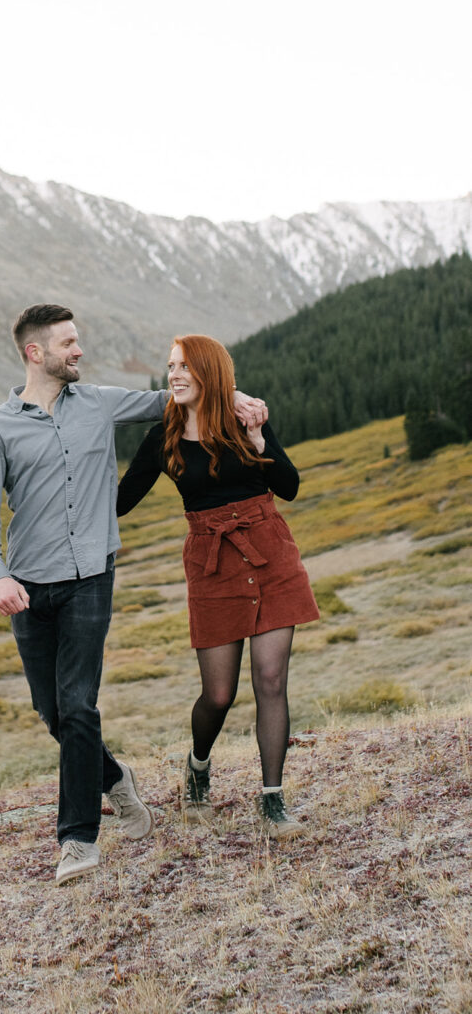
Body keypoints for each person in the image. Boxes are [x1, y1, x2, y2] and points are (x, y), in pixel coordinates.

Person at [0, 306, 266, 884]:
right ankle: (114, 779)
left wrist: (238, 396)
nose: (79, 351)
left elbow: (176, 396)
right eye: (69, 343)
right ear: (36, 353)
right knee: (53, 713)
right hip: (27, 584)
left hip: (90, 578)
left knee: (79, 705)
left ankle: (77, 840)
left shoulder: (100, 403)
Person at [116, 335, 320, 838]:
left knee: (271, 681)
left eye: (184, 366)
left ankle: (272, 800)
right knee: (219, 693)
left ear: (208, 371)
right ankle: (199, 767)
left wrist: (259, 442)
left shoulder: (245, 421)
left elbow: (290, 487)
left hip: (269, 550)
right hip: (211, 564)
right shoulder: (163, 436)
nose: (174, 375)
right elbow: (120, 502)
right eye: (170, 366)